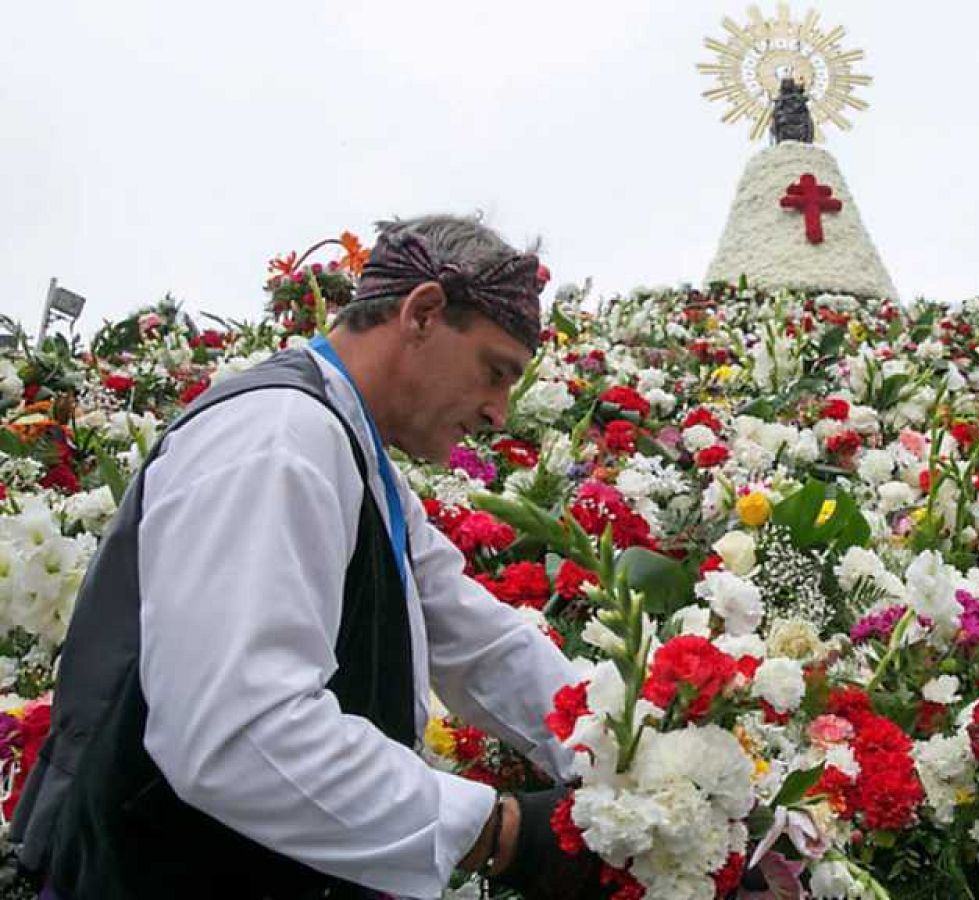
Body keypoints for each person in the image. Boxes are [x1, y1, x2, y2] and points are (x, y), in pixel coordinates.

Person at [10, 215, 595, 899]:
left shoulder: (353, 450)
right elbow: (240, 733)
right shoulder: (280, 436)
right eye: (494, 373)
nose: (499, 413)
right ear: (424, 313)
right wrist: (497, 833)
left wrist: (618, 747)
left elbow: (477, 638)